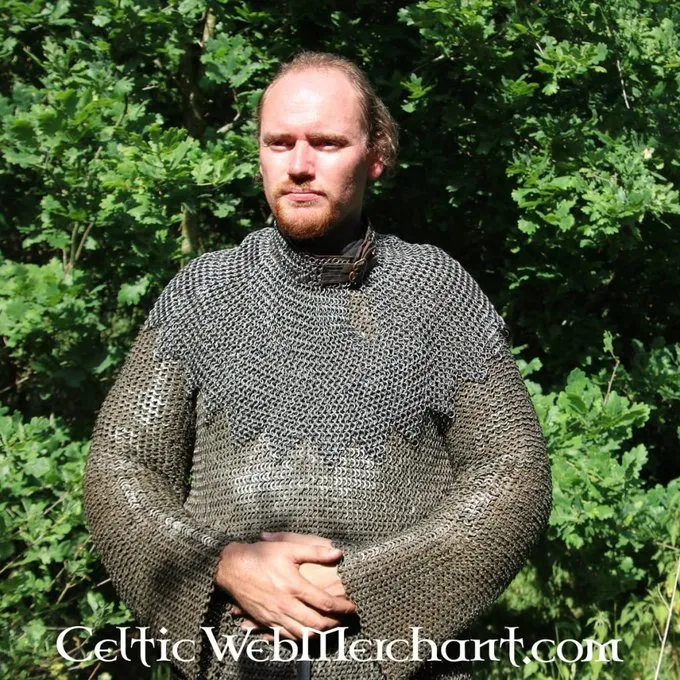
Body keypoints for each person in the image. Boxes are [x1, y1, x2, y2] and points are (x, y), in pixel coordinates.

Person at [83, 51, 553, 680]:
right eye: (279, 143)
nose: (299, 165)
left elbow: (513, 472)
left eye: (327, 143)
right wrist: (222, 565)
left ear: (376, 155)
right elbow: (121, 465)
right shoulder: (205, 293)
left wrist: (364, 585)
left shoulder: (436, 292)